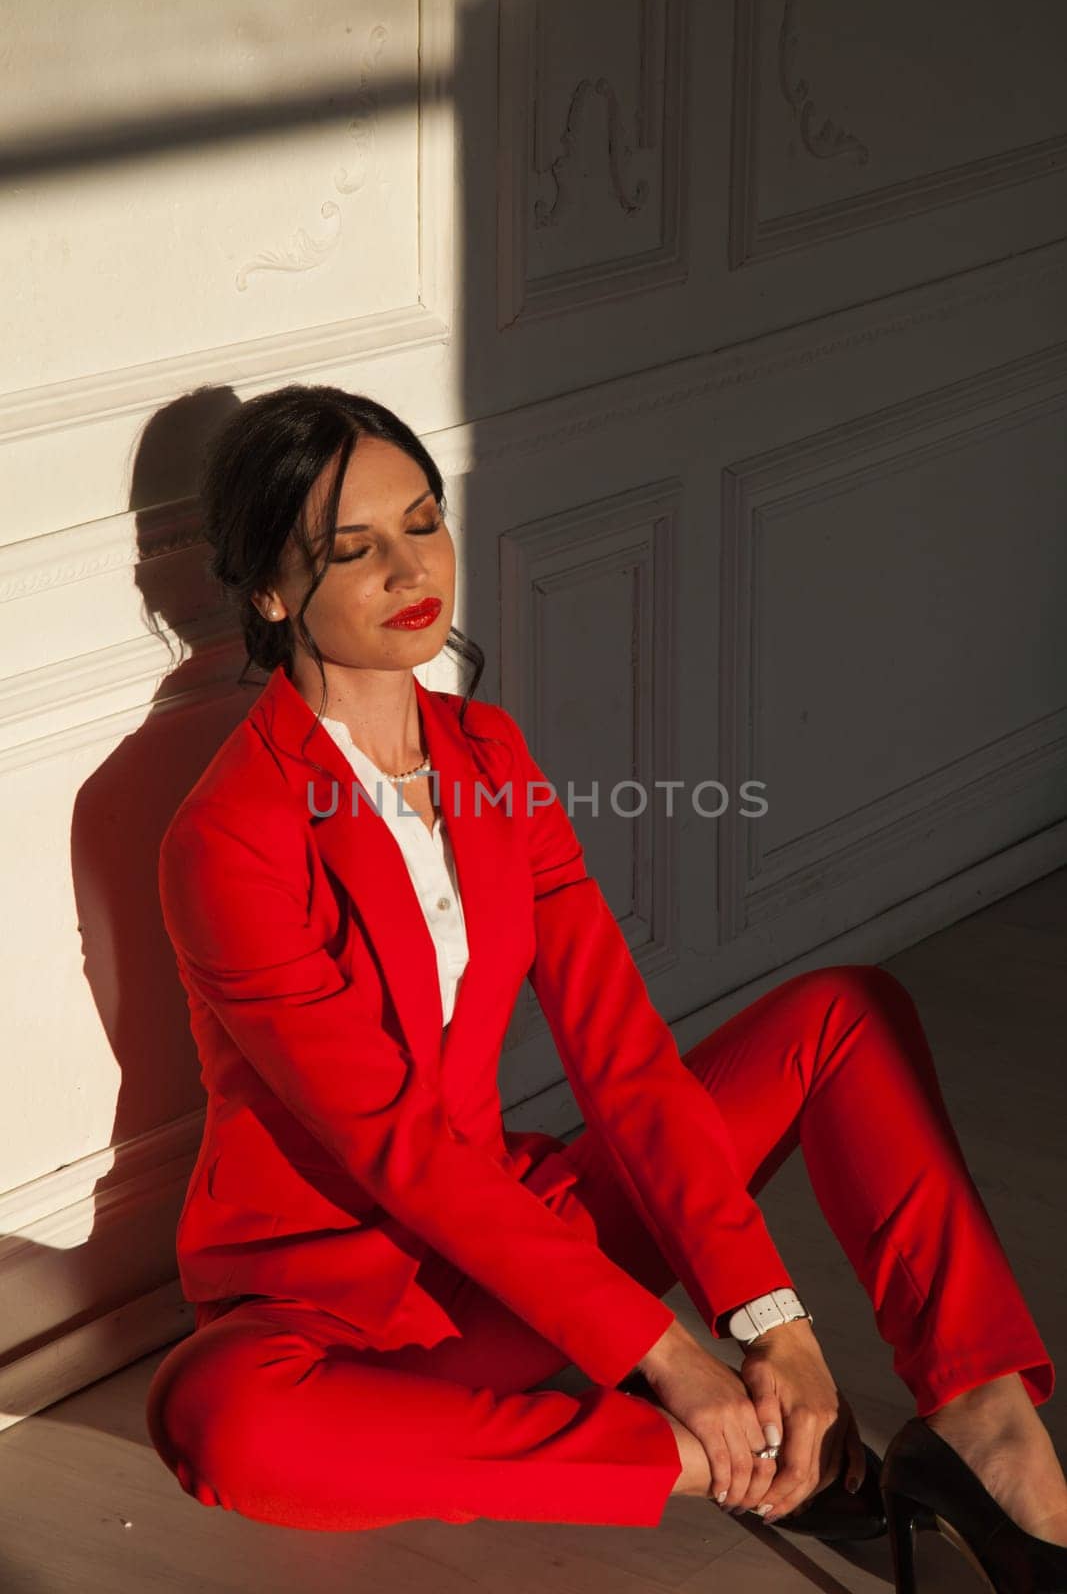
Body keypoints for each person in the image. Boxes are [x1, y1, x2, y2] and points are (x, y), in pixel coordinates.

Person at [146, 385, 1066, 1587]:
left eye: (422, 521)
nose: (409, 567)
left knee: (842, 1018)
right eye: (349, 549)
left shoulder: (490, 757)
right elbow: (395, 1150)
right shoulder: (229, 834)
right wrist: (678, 1367)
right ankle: (694, 1455)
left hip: (510, 1242)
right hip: (335, 1312)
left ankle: (991, 1439)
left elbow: (624, 1059)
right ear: (271, 592)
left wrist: (767, 1320)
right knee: (215, 1418)